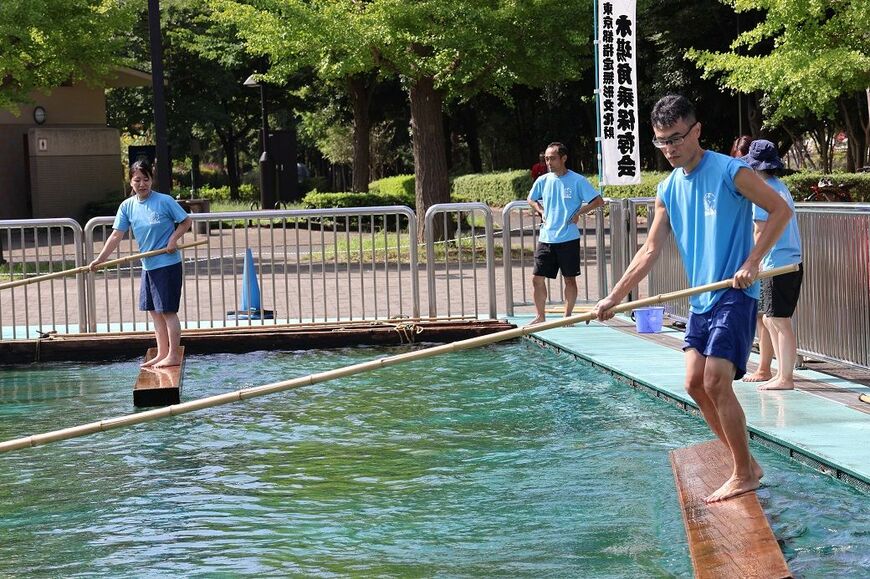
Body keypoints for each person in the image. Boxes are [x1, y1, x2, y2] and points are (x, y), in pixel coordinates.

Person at [593, 95, 791, 503]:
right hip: (701, 299)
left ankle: (743, 473)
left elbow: (779, 210)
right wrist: (613, 297)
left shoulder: (730, 170)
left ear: (696, 130)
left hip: (734, 293)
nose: (670, 148)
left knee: (716, 381)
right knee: (693, 384)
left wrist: (753, 261)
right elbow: (649, 250)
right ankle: (746, 462)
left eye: (677, 138)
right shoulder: (666, 189)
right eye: (661, 141)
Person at [90, 160, 192, 368]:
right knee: (154, 312)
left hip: (167, 264)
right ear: (130, 182)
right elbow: (117, 235)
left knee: (167, 311)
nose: (142, 183)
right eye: (138, 180)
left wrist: (173, 239)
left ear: (152, 180)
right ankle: (162, 352)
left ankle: (173, 354)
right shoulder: (127, 206)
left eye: (146, 179)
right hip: (148, 266)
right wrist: (100, 259)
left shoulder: (164, 201)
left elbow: (186, 221)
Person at [741, 140, 803, 390]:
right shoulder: (779, 187)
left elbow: (759, 232)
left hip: (780, 264)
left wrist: (750, 263)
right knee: (770, 319)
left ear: (755, 168)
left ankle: (786, 377)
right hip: (781, 261)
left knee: (779, 320)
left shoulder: (763, 193)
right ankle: (780, 374)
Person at [528, 142, 604, 324]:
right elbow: (531, 199)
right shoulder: (543, 180)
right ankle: (540, 316)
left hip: (568, 238)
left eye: (552, 158)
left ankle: (567, 317)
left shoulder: (577, 180)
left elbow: (598, 201)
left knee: (569, 279)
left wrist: (579, 212)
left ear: (563, 158)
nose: (548, 162)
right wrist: (541, 210)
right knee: (536, 278)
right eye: (546, 159)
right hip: (546, 237)